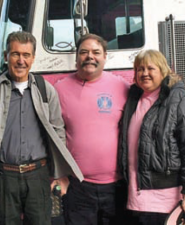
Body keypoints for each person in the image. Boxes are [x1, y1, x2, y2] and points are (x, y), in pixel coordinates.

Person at [0, 31, 83, 225]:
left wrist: (61, 175)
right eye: (15, 54)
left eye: (26, 55)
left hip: (38, 177)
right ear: (6, 56)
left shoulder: (46, 90)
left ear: (33, 58)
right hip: (2, 178)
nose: (21, 60)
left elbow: (58, 134)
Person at [118, 49, 185, 225]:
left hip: (164, 196)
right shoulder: (134, 98)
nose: (145, 73)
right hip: (136, 194)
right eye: (140, 69)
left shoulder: (179, 98)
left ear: (163, 70)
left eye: (151, 68)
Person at [54, 34, 129, 225]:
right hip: (77, 187)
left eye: (96, 52)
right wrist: (59, 175)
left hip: (117, 187)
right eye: (84, 52)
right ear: (76, 57)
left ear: (105, 56)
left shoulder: (122, 87)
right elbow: (52, 138)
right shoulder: (59, 90)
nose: (90, 57)